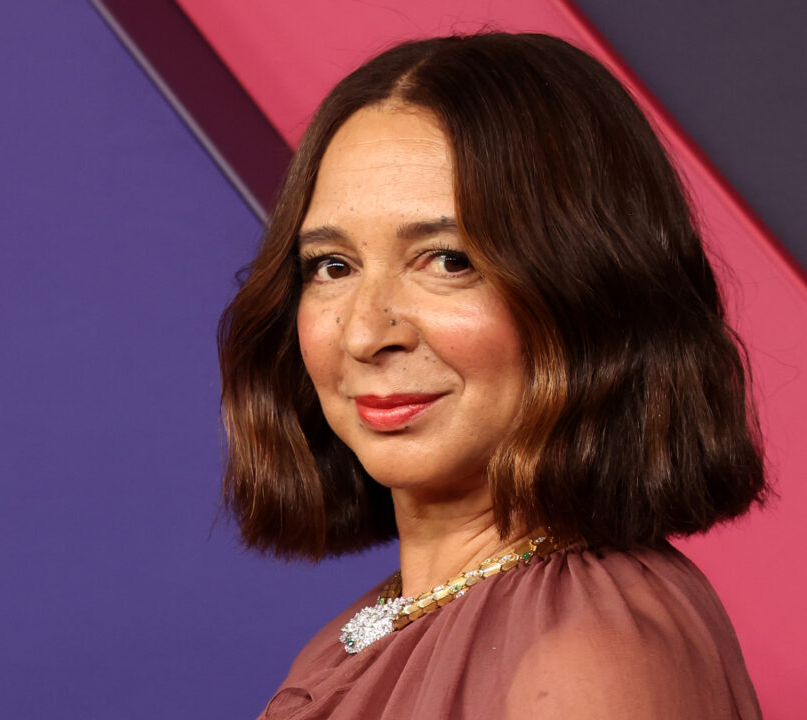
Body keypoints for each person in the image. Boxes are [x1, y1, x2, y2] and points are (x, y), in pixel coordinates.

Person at [217, 32, 767, 719]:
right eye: (333, 265)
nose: (364, 333)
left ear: (589, 291)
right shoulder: (373, 629)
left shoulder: (585, 660)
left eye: (447, 261)